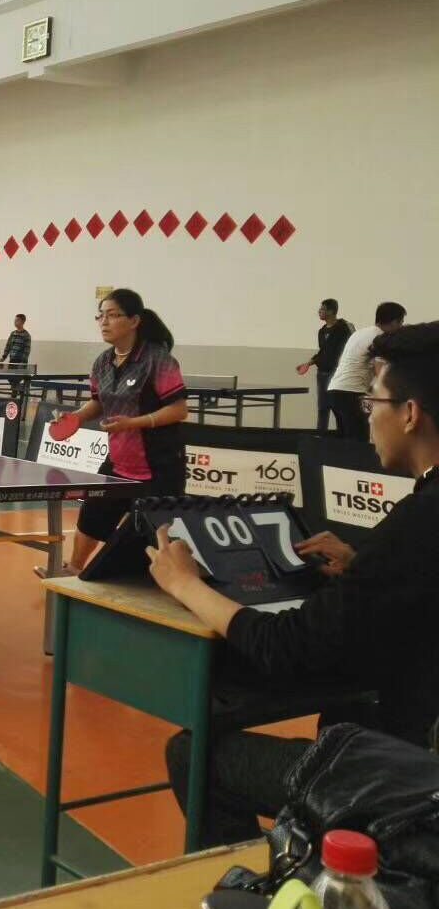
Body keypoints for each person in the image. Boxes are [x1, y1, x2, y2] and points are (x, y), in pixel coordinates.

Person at [150, 321, 439, 848]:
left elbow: (284, 646)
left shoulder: (420, 520)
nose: (367, 414)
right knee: (344, 714)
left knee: (192, 753)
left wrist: (185, 584)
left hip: (415, 780)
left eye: (372, 401)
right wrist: (363, 566)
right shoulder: (415, 522)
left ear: (411, 413)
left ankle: (256, 886)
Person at [51, 288, 187, 574]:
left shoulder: (158, 360)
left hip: (158, 464)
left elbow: (178, 410)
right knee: (91, 517)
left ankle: (170, 584)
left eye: (113, 315)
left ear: (134, 320)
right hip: (118, 460)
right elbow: (98, 403)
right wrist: (74, 418)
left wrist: (134, 423)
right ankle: (74, 570)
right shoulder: (102, 362)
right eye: (101, 316)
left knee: (154, 536)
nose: (104, 322)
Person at [328, 302, 406, 441]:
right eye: (401, 323)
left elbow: (343, 361)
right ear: (394, 322)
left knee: (346, 442)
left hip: (335, 390)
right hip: (351, 394)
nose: (401, 327)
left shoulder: (360, 333)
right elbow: (380, 372)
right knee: (360, 442)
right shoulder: (381, 338)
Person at [296, 298, 353, 433]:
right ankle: (321, 435)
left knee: (338, 407)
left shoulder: (343, 328)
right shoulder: (321, 332)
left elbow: (350, 347)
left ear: (331, 311)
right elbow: (323, 352)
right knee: (323, 407)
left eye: (322, 309)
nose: (319, 312)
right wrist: (309, 363)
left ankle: (343, 435)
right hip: (322, 374)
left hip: (336, 374)